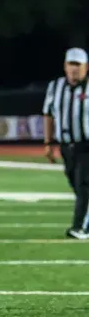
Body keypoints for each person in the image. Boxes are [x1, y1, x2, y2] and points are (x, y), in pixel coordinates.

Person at [43, 47, 89, 239]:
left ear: (86, 67)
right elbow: (48, 114)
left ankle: (80, 228)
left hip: (87, 145)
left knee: (84, 185)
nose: (74, 68)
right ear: (65, 66)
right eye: (71, 64)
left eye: (78, 64)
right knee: (76, 185)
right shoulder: (55, 87)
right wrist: (48, 143)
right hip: (66, 147)